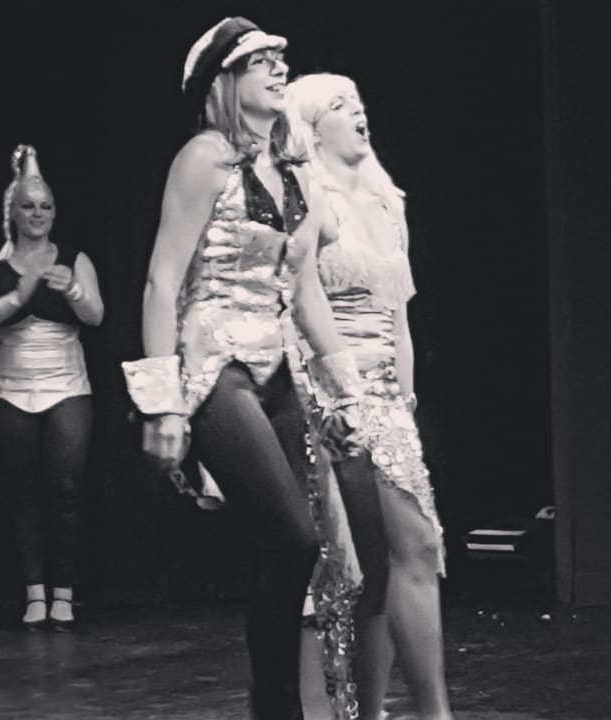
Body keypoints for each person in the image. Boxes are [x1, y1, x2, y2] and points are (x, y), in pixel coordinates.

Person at [121, 19, 363, 720]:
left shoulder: (290, 169)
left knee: (287, 552)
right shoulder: (204, 158)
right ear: (224, 81)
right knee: (293, 536)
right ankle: (277, 705)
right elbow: (162, 282)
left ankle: (276, 704)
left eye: (282, 59)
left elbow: (305, 292)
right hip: (214, 361)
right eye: (261, 61)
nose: (279, 69)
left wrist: (345, 390)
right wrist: (163, 402)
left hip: (276, 358)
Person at [286, 74, 454, 720]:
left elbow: (398, 319)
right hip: (331, 396)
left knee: (405, 556)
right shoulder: (309, 199)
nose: (357, 113)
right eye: (339, 105)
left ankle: (382, 710)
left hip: (386, 398)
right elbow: (294, 305)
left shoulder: (387, 202)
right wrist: (323, 399)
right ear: (311, 127)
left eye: (358, 103)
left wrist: (405, 403)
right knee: (354, 566)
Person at [0, 144, 104, 632]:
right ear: (13, 212)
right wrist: (19, 295)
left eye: (46, 206)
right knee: (21, 491)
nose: (38, 213)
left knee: (66, 491)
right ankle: (34, 593)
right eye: (28, 205)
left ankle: (64, 593)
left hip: (66, 386)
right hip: (9, 389)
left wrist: (72, 289)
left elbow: (96, 315)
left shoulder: (73, 259)